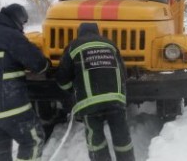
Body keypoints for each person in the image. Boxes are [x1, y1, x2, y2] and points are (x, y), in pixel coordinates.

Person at [56, 22, 135, 161]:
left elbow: (62, 78)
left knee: (95, 138)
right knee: (121, 135)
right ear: (97, 32)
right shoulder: (110, 44)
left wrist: (72, 90)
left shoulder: (73, 46)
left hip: (89, 103)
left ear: (79, 32)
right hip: (115, 100)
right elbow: (123, 73)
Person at [0, 3, 50, 161]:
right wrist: (47, 64)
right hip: (13, 109)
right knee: (34, 141)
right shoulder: (11, 36)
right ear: (17, 19)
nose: (23, 27)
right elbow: (39, 64)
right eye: (23, 23)